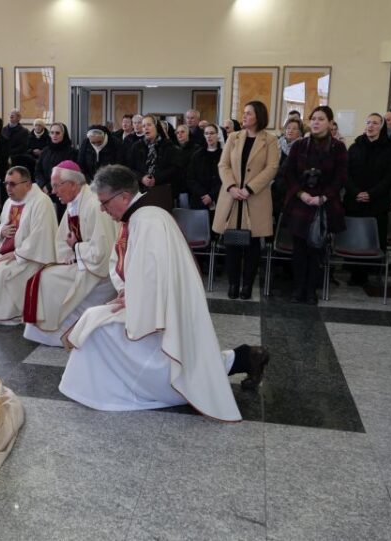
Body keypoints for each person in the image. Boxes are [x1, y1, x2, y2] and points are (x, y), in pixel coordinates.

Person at [58, 164, 269, 420]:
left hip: (163, 311)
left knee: (102, 330)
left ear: (123, 196)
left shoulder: (148, 221)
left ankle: (123, 390)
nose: (102, 209)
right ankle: (244, 357)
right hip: (153, 304)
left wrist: (130, 299)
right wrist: (127, 293)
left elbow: (153, 277)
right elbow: (131, 267)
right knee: (97, 322)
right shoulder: (139, 217)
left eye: (104, 202)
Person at [22, 161, 118, 346]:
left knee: (46, 278)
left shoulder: (93, 205)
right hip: (83, 263)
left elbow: (102, 251)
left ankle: (56, 330)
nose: (53, 191)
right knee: (44, 275)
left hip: (99, 272)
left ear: (73, 184)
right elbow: (62, 240)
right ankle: (46, 328)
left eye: (57, 185)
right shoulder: (75, 203)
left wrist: (76, 249)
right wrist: (68, 257)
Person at [212, 101, 279, 300]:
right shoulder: (233, 137)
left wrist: (249, 188)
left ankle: (247, 285)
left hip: (255, 197)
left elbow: (272, 167)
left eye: (248, 113)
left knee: (252, 245)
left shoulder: (270, 140)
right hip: (232, 197)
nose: (244, 116)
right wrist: (232, 187)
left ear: (258, 116)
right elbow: (223, 165)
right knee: (231, 243)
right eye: (244, 112)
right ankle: (233, 284)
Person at [281, 105, 347, 304]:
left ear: (329, 123)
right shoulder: (300, 145)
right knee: (299, 250)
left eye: (321, 119)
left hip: (323, 204)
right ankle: (298, 289)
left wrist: (323, 197)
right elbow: (288, 174)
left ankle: (311, 290)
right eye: (313, 119)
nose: (316, 122)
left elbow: (340, 177)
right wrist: (301, 194)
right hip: (300, 203)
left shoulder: (338, 147)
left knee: (316, 250)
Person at [0, 166, 58, 324]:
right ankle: (0, 312)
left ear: (28, 185)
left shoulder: (41, 202)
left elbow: (40, 237)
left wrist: (17, 255)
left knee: (1, 272)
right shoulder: (9, 202)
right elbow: (2, 225)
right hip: (15, 253)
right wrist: (2, 231)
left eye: (13, 184)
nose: (8, 188)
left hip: (34, 258)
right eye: (6, 184)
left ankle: (12, 314)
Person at [344, 113, 391, 286]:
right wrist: (356, 192)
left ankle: (371, 274)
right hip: (355, 200)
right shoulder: (355, 147)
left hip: (377, 202)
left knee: (373, 239)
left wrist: (371, 194)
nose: (371, 126)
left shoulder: (390, 148)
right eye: (368, 122)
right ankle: (354, 274)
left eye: (375, 123)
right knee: (354, 239)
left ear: (381, 127)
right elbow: (345, 173)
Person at [127, 115, 179, 211]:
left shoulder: (168, 146)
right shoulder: (136, 147)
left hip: (162, 191)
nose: (145, 128)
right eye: (143, 126)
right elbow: (130, 168)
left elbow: (175, 169)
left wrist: (157, 179)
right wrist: (141, 178)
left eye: (149, 125)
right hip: (141, 190)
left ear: (156, 127)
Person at [34, 122, 77, 217]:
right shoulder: (45, 150)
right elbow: (37, 170)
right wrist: (42, 185)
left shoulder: (71, 152)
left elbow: (67, 173)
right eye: (52, 132)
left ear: (63, 134)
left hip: (62, 194)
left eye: (57, 133)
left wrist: (50, 187)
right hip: (44, 192)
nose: (54, 135)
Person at [187, 124, 222, 212]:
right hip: (199, 198)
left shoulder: (224, 155)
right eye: (206, 133)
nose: (209, 136)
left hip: (219, 197)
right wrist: (204, 194)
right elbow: (191, 178)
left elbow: (225, 179)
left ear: (217, 135)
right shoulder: (197, 155)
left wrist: (211, 195)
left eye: (212, 133)